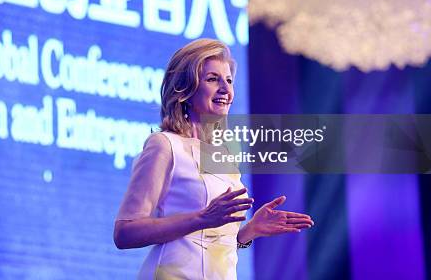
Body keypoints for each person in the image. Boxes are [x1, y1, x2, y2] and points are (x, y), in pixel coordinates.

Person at [114, 39, 314, 279]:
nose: (225, 89)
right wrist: (202, 218)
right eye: (212, 79)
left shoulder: (226, 152)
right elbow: (125, 232)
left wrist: (247, 233)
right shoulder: (165, 145)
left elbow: (211, 239)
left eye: (228, 80)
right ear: (185, 90)